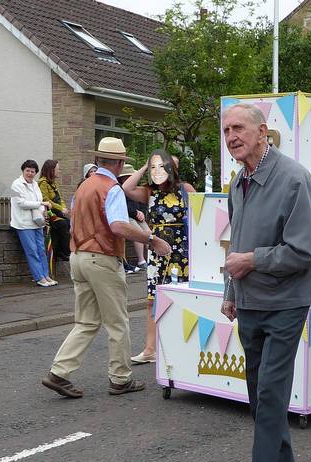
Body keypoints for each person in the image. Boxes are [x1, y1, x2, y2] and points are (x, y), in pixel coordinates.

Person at [218, 104, 311, 462]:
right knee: (258, 388)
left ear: (263, 132)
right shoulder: (237, 181)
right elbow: (236, 244)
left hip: (285, 304)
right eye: (226, 130)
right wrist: (231, 288)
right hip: (249, 302)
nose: (230, 137)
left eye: (238, 128)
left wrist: (252, 263)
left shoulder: (294, 178)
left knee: (270, 394)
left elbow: (307, 252)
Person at [41, 137, 171, 399]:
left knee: (86, 321)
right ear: (121, 163)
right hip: (102, 258)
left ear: (99, 160)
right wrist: (151, 239)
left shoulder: (85, 186)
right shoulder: (111, 188)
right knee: (117, 321)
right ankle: (120, 379)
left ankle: (59, 372)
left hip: (78, 256)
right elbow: (118, 226)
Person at [122, 149, 196, 365]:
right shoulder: (150, 192)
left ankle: (181, 345)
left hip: (182, 252)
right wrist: (145, 166)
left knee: (181, 300)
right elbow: (126, 188)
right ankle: (150, 349)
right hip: (157, 253)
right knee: (152, 301)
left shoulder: (185, 189)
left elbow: (202, 215)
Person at [9, 159, 55, 287]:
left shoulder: (35, 184)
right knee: (32, 251)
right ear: (23, 171)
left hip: (37, 222)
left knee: (41, 250)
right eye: (27, 171)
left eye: (32, 171)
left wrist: (42, 209)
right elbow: (22, 203)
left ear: (35, 173)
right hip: (23, 224)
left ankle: (46, 275)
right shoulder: (17, 184)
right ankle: (39, 277)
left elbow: (39, 200)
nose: (30, 173)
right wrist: (41, 204)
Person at [117, 164, 148, 275]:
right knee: (138, 233)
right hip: (127, 216)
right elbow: (123, 206)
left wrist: (142, 213)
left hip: (138, 216)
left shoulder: (135, 188)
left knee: (149, 233)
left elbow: (143, 202)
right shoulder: (119, 188)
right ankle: (141, 260)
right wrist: (135, 213)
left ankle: (150, 257)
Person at [38, 159, 71, 262]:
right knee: (62, 224)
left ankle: (60, 251)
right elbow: (46, 200)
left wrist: (64, 207)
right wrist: (61, 208)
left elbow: (60, 198)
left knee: (67, 222)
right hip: (48, 213)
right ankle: (65, 252)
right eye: (58, 169)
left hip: (57, 211)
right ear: (51, 170)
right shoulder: (43, 182)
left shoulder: (53, 183)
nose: (59, 171)